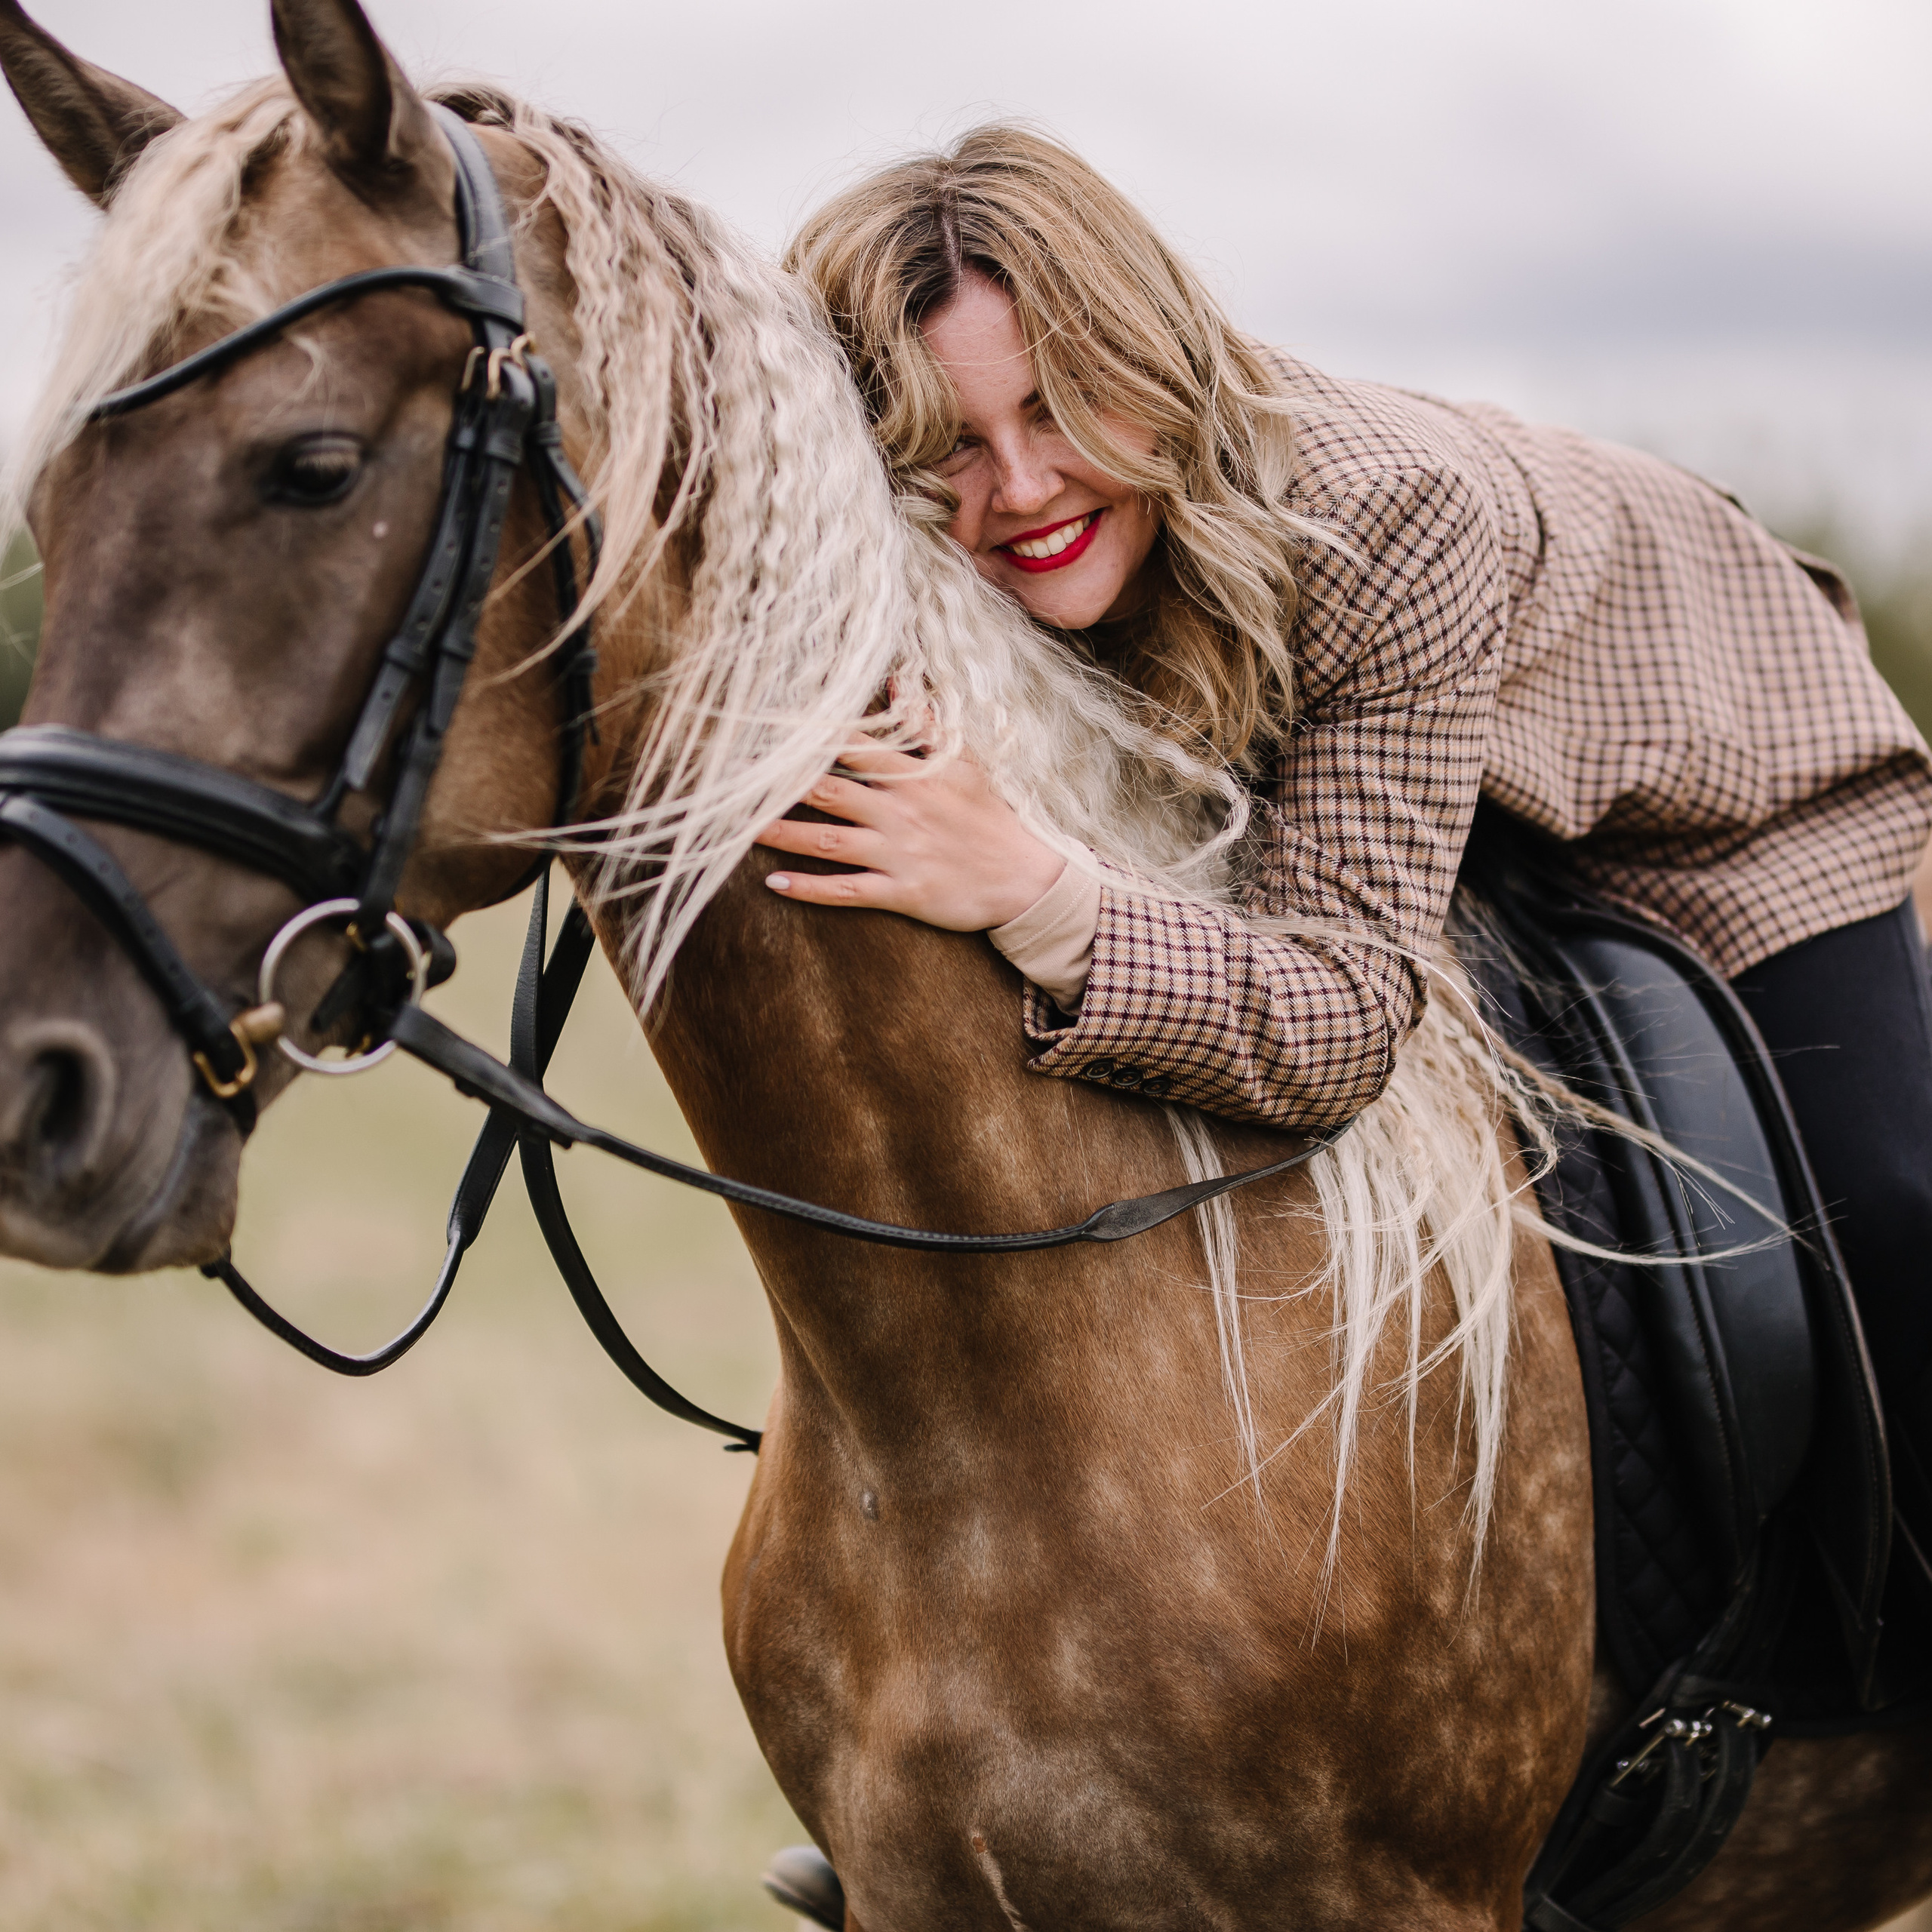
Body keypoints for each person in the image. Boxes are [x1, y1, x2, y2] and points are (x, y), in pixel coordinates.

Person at [755, 128, 1932, 1552]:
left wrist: (1033, 888)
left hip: (1729, 790)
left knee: (1888, 1221)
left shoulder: (1384, 515)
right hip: (1435, 782)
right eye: (951, 445)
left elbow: (1341, 1017)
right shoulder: (942, 536)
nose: (1018, 490)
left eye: (1060, 410)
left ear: (1150, 362)